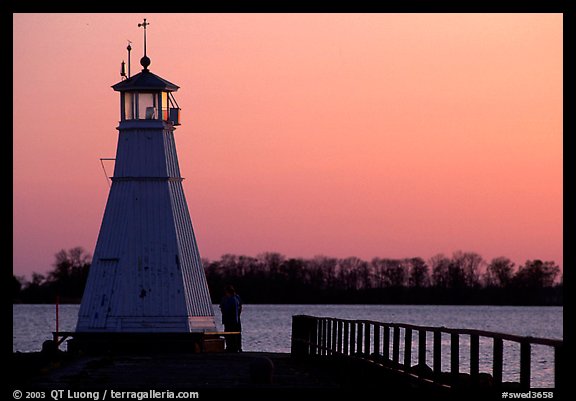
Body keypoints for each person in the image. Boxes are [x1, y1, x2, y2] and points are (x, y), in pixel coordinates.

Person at [219, 285, 242, 352]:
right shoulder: (236, 298)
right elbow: (240, 307)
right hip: (235, 319)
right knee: (235, 334)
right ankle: (235, 347)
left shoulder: (229, 299)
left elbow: (224, 309)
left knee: (231, 333)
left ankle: (233, 347)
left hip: (230, 319)